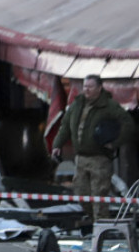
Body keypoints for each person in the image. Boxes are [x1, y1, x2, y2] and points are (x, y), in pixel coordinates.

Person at [51, 74, 134, 225]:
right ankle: (96, 222)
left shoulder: (109, 106)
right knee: (81, 194)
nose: (86, 90)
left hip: (100, 159)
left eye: (90, 87)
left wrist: (115, 143)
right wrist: (57, 145)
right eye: (85, 86)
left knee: (99, 196)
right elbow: (65, 126)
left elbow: (129, 125)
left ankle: (102, 228)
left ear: (99, 88)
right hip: (81, 158)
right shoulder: (77, 105)